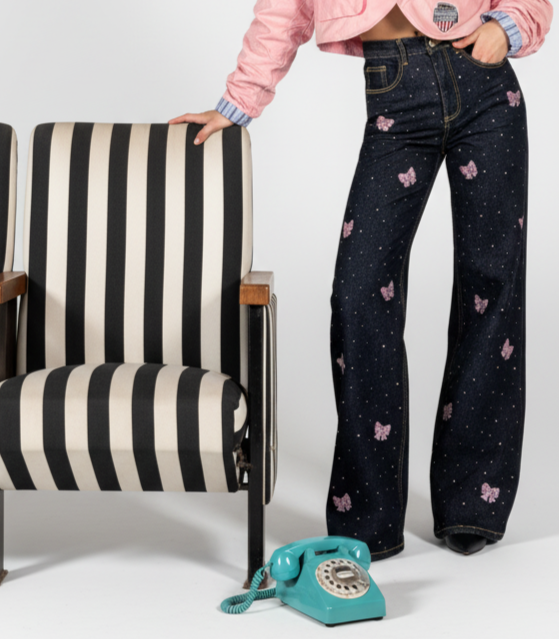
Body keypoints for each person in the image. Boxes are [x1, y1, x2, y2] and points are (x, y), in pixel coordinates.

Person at [169, 1, 553, 560]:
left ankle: (473, 498)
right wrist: (239, 101)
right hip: (394, 91)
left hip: (486, 86)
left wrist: (507, 26)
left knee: (490, 286)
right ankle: (369, 516)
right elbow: (285, 9)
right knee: (357, 294)